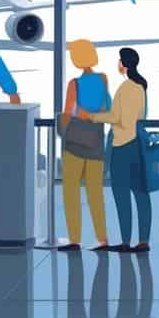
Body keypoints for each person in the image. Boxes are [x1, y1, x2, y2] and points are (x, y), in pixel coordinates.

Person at [84, 47, 150, 253]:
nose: (117, 64)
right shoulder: (141, 87)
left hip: (122, 146)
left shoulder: (125, 88)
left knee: (122, 196)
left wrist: (93, 116)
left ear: (124, 64)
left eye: (119, 60)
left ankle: (125, 242)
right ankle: (143, 241)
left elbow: (116, 118)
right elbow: (140, 115)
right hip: (137, 145)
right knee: (141, 194)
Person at [59, 39, 111, 253]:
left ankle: (75, 240)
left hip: (75, 147)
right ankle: (102, 239)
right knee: (95, 194)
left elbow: (68, 112)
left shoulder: (74, 84)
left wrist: (63, 125)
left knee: (71, 193)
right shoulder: (103, 79)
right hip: (96, 144)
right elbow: (105, 107)